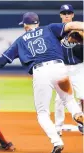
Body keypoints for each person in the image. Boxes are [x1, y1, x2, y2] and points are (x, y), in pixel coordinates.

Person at [0, 12, 84, 153]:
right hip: (59, 67)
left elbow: (2, 60)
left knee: (43, 113)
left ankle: (57, 142)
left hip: (40, 72)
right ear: (37, 23)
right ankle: (78, 115)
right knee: (69, 100)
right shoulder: (50, 28)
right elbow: (74, 25)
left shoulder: (20, 41)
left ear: (25, 25)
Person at [54, 4, 84, 136]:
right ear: (60, 15)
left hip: (79, 67)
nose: (66, 15)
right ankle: (58, 127)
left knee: (82, 96)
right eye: (64, 13)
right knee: (59, 99)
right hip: (62, 68)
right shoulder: (55, 30)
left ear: (72, 15)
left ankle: (81, 123)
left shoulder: (80, 29)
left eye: (69, 13)